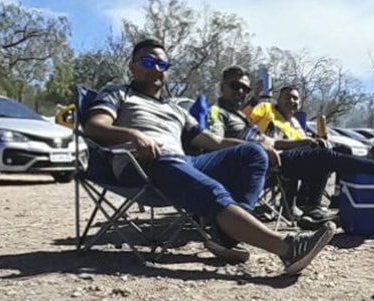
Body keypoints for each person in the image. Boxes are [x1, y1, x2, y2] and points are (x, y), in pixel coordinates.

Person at [83, 40, 335, 275]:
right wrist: (134, 135)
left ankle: (226, 237)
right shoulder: (118, 93)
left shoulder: (174, 109)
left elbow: (213, 142)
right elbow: (94, 127)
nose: (155, 69)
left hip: (178, 162)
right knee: (210, 187)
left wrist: (264, 146)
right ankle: (287, 248)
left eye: (162, 64)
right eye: (147, 62)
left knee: (252, 153)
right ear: (133, 66)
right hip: (140, 164)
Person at [212, 72, 374, 227]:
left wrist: (305, 141)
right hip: (255, 165)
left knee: (329, 151)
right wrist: (259, 138)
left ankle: (320, 204)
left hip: (276, 158)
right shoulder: (221, 112)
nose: (240, 92)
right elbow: (215, 143)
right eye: (235, 86)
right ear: (222, 87)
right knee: (323, 155)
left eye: (245, 89)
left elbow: (272, 142)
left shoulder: (247, 118)